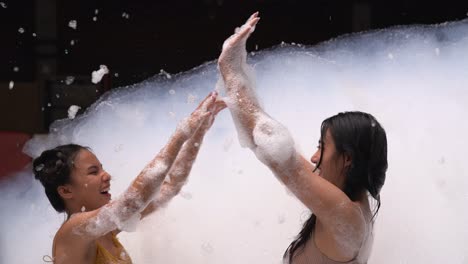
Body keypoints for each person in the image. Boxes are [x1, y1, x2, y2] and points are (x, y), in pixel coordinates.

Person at [217, 13, 388, 264]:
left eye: (322, 147)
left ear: (347, 159)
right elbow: (269, 146)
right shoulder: (350, 202)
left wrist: (230, 71)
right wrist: (236, 79)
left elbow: (280, 158)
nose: (314, 157)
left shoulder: (344, 214)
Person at [33, 92, 226, 264]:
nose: (107, 175)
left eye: (102, 169)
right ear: (66, 191)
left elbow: (171, 187)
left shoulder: (106, 231)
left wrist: (199, 131)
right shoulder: (73, 231)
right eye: (93, 172)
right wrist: (181, 134)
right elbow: (132, 202)